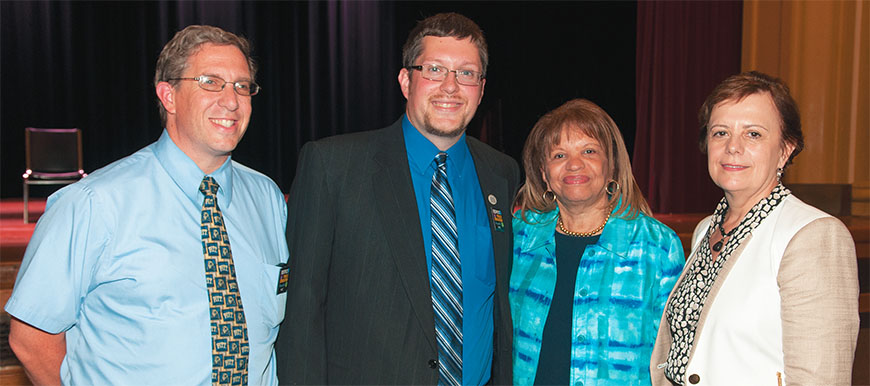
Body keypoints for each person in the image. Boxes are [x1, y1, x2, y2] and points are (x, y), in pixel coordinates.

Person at [5, 25, 289, 385]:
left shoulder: (267, 199)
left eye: (242, 86)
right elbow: (31, 337)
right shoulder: (94, 204)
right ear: (168, 96)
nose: (231, 100)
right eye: (211, 82)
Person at [276, 12, 520, 385]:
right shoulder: (333, 167)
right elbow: (300, 313)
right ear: (406, 80)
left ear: (481, 89)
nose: (451, 87)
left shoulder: (500, 173)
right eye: (435, 70)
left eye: (466, 73)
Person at [650, 71, 859, 385]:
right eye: (720, 132)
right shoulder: (707, 229)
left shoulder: (813, 236)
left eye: (753, 134)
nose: (733, 147)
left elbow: (821, 378)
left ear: (786, 149)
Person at [510, 98, 685, 385]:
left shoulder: (657, 246)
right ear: (544, 173)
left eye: (589, 151)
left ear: (611, 166)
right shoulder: (519, 238)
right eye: (558, 155)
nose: (574, 165)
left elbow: (675, 355)